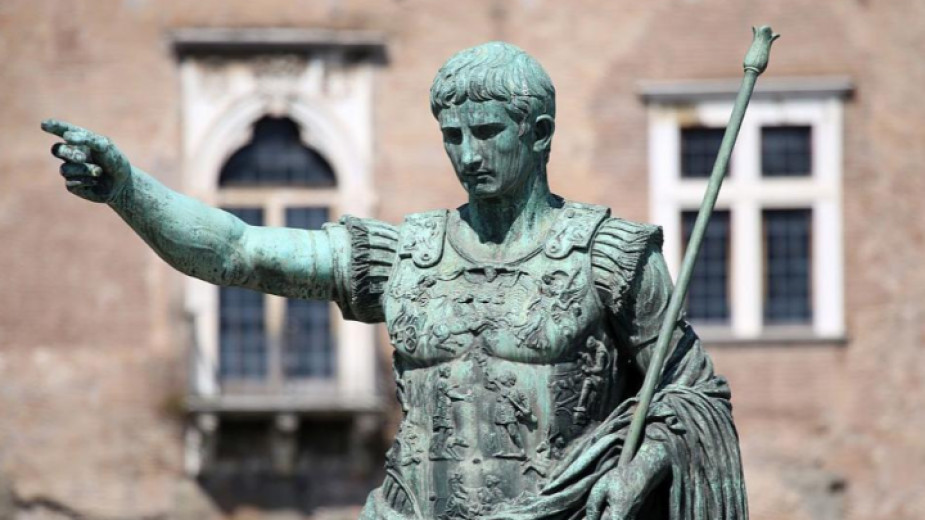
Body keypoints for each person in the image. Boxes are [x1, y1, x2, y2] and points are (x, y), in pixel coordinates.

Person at [43, 41, 747, 519]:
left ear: (538, 134)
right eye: (452, 136)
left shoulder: (609, 257)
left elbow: (693, 396)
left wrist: (640, 467)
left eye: (486, 133)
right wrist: (129, 191)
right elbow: (238, 251)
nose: (467, 155)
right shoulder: (403, 254)